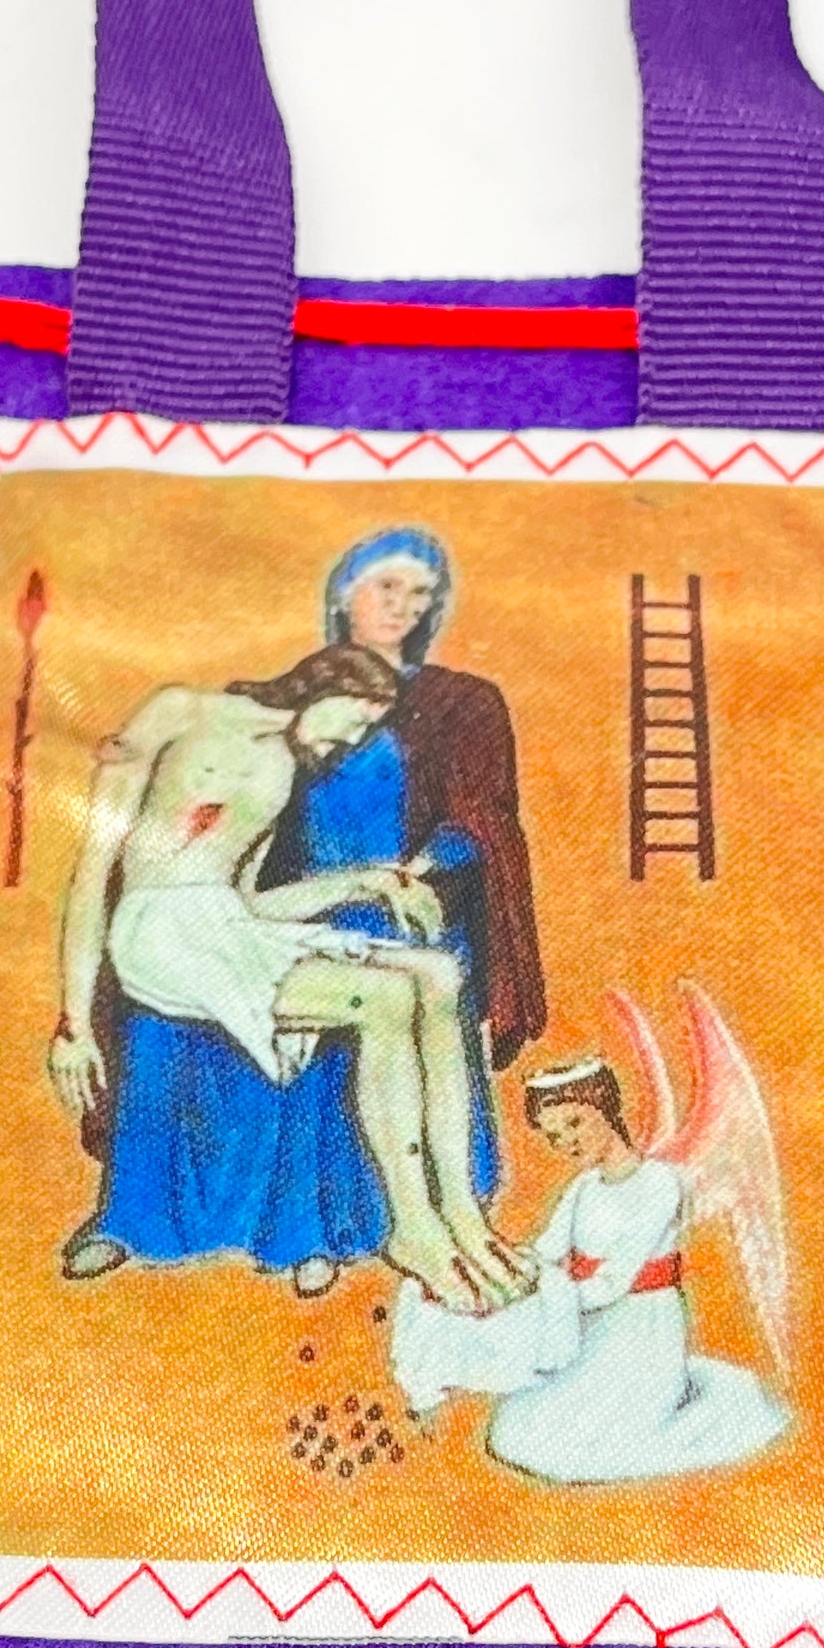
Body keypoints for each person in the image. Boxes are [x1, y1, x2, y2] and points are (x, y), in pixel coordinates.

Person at [48, 644, 532, 1315]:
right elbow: (93, 871)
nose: (351, 742)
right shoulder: (176, 711)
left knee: (440, 974)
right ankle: (413, 1226)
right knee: (385, 998)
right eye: (355, 720)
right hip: (157, 933)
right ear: (324, 687)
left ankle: (460, 1214)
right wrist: (74, 1023)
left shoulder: (282, 769)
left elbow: (247, 903)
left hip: (223, 928)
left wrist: (368, 881)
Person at [254, 525, 548, 1291]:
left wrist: (417, 869)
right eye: (388, 587)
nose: (405, 607)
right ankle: (318, 1226)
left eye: (421, 595)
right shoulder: (292, 698)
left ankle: (456, 1217)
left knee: (429, 973)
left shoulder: (461, 701)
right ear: (342, 593)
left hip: (417, 896)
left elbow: (484, 813)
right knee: (341, 1011)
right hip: (312, 904)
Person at [388, 1057, 789, 1481]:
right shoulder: (583, 1188)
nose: (568, 1142)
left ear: (604, 1108)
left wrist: (542, 1299)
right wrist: (494, 1270)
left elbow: (612, 1283)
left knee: (582, 1445)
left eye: (574, 1123)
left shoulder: (659, 1184)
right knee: (514, 1430)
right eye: (554, 1136)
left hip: (643, 1330)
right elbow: (545, 1251)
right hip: (589, 1328)